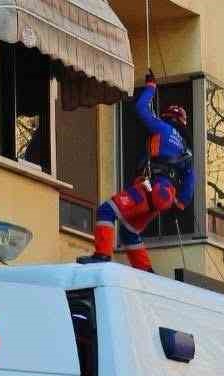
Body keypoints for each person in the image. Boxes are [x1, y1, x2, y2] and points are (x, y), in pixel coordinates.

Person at [78, 71, 194, 272]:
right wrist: (179, 203)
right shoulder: (186, 150)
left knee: (106, 210)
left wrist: (150, 87)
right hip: (164, 195)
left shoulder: (162, 128)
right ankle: (146, 272)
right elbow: (190, 180)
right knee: (129, 232)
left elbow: (140, 108)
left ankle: (102, 255)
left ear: (167, 118)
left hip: (149, 187)